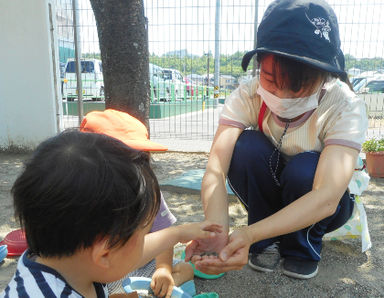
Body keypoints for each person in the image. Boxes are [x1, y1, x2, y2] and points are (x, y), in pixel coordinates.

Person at [185, 0, 368, 280]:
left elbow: (327, 198)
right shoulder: (248, 96)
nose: (281, 95)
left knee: (304, 168)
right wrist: (217, 231)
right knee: (245, 147)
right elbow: (215, 168)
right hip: (274, 190)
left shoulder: (344, 105)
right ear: (259, 66)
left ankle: (301, 247)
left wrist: (246, 233)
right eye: (270, 79)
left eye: (297, 86)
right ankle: (264, 241)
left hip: (322, 204)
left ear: (325, 76)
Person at [2, 130, 221, 297]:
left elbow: (129, 254)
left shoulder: (50, 259)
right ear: (105, 253)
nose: (144, 242)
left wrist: (177, 234)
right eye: (143, 234)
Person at [80, 109, 194, 297]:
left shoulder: (147, 189)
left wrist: (163, 269)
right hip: (103, 270)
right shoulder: (83, 197)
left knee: (185, 269)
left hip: (142, 261)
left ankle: (152, 290)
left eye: (139, 159)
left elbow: (163, 233)